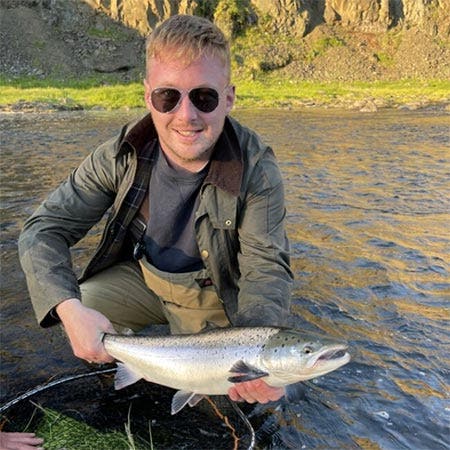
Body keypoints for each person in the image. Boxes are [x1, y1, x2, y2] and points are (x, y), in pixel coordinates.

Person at [19, 15, 293, 406]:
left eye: (204, 97)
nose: (186, 116)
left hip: (210, 292)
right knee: (81, 304)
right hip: (145, 278)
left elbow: (266, 268)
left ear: (229, 98)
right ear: (149, 96)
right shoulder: (122, 153)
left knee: (226, 395)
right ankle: (131, 355)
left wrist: (258, 351)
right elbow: (43, 229)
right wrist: (67, 308)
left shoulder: (257, 169)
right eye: (168, 97)